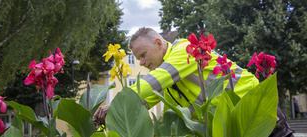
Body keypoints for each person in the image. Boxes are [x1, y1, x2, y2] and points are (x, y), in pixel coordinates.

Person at [94, 27, 294, 136]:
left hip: (254, 109)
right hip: (231, 124)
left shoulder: (183, 50)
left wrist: (117, 101)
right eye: (138, 59)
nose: (142, 63)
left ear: (158, 43)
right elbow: (145, 101)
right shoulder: (169, 84)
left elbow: (153, 82)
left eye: (144, 55)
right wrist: (114, 114)